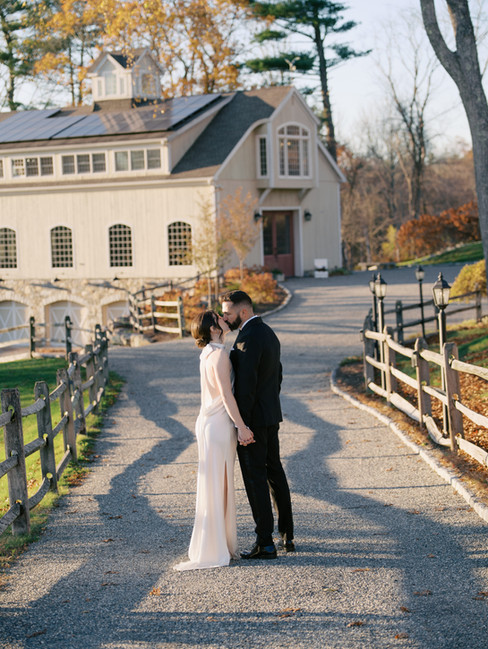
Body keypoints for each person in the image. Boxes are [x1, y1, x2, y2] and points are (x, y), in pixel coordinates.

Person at [174, 310, 254, 571]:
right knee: (219, 484)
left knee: (216, 483)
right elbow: (227, 396)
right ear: (213, 329)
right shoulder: (218, 355)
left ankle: (221, 543)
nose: (225, 319)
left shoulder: (207, 353)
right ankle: (216, 547)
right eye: (220, 318)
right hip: (219, 425)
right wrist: (241, 427)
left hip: (208, 422)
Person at [221, 290, 294, 560]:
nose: (224, 318)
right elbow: (278, 375)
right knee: (274, 472)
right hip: (271, 415)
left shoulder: (248, 338)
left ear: (243, 311)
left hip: (254, 421)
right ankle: (288, 535)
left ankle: (265, 543)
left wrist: (244, 427)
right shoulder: (268, 333)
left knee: (255, 479)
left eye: (227, 313)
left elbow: (246, 387)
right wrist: (270, 405)